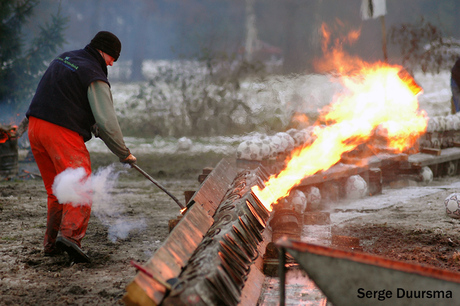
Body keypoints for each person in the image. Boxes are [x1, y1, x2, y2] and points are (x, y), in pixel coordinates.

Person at [24, 31, 136, 263]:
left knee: (57, 189)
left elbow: (65, 97)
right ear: (104, 52)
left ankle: (51, 243)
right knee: (80, 182)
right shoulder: (93, 74)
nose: (112, 64)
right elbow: (107, 122)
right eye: (112, 58)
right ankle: (71, 238)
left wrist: (90, 124)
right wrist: (123, 153)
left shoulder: (66, 58)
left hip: (35, 127)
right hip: (59, 130)